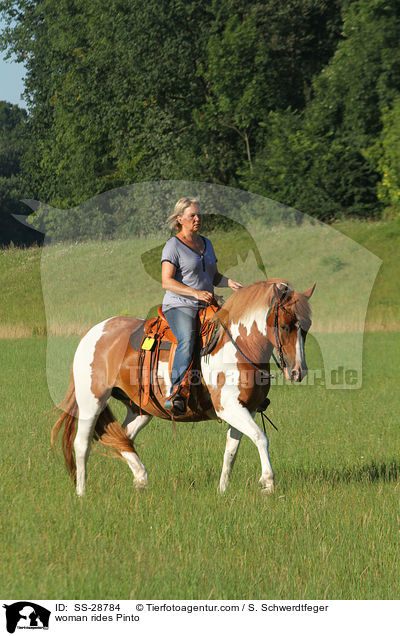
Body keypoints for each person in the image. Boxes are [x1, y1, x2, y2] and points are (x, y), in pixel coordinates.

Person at [161, 197, 242, 413]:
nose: (197, 219)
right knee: (187, 337)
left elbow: (213, 277)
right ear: (180, 219)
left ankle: (243, 388)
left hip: (207, 304)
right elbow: (167, 281)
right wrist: (195, 293)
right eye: (192, 216)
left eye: (199, 215)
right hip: (179, 305)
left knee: (236, 330)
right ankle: (177, 390)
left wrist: (229, 282)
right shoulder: (173, 246)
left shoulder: (207, 243)